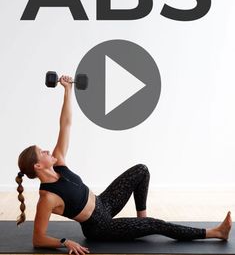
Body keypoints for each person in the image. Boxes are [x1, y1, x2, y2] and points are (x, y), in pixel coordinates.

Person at [16, 75, 232, 255]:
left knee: (141, 170)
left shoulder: (59, 163)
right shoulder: (47, 198)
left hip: (104, 203)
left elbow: (65, 124)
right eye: (41, 152)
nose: (46, 150)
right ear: (37, 166)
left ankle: (142, 221)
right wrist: (65, 242)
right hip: (100, 227)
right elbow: (38, 238)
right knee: (157, 225)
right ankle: (214, 233)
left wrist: (67, 90)